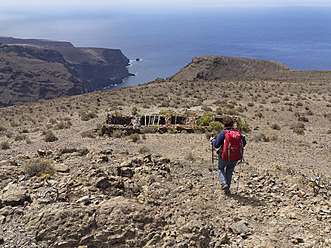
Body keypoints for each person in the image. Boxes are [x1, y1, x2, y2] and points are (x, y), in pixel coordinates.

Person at [210, 116, 247, 194]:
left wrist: (212, 141)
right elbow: (244, 143)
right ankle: (227, 190)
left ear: (224, 124)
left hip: (224, 156)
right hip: (235, 157)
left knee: (220, 168)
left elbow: (216, 145)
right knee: (229, 171)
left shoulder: (223, 133)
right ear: (233, 124)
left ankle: (223, 183)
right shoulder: (237, 133)